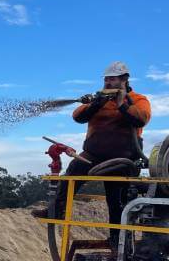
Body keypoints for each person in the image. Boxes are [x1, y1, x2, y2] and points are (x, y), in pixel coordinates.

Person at [32, 61, 151, 247]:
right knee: (72, 173)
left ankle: (116, 241)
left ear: (124, 79)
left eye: (112, 79)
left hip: (124, 159)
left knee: (117, 200)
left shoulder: (138, 99)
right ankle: (56, 210)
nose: (108, 83)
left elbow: (141, 118)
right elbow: (78, 116)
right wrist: (96, 104)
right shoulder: (98, 100)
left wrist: (121, 105)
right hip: (94, 155)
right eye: (106, 79)